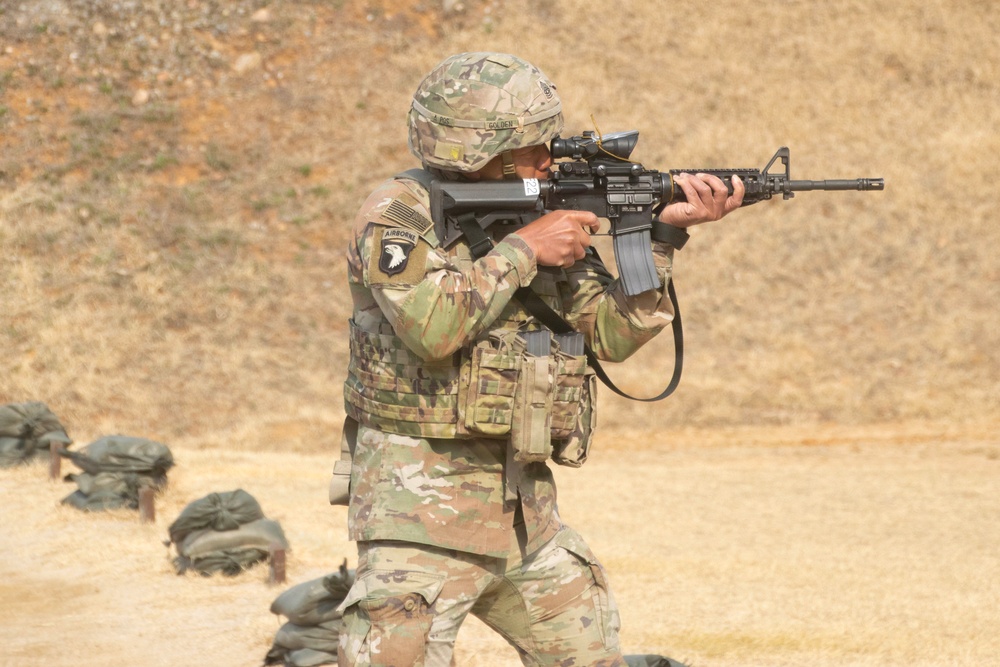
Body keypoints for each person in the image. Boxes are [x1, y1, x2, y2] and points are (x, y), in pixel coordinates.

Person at [335, 52, 744, 667]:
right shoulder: (399, 216)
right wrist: (525, 249)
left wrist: (661, 238)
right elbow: (432, 329)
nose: (551, 158)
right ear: (482, 150)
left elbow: (609, 336)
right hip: (417, 522)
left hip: (525, 518)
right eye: (534, 147)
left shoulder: (542, 209)